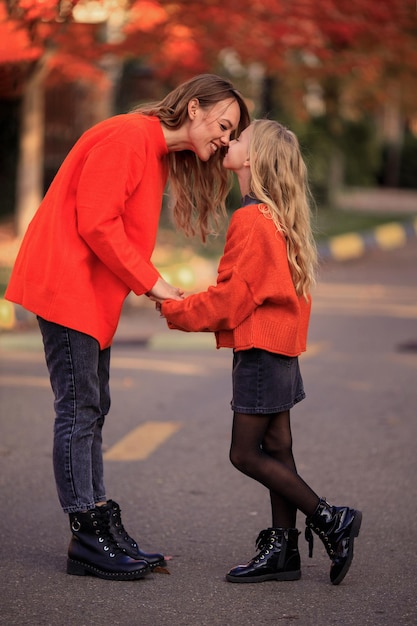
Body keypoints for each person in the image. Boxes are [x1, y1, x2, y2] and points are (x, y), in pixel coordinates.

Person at [5, 74, 250, 581]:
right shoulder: (129, 136)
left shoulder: (151, 149)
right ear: (195, 108)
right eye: (223, 125)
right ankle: (87, 532)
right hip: (67, 286)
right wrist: (154, 283)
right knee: (78, 408)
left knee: (94, 406)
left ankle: (98, 517)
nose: (225, 138)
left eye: (232, 133)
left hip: (91, 294)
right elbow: (97, 221)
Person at [157, 119, 362, 586]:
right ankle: (283, 552)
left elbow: (231, 301)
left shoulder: (251, 218)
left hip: (261, 352)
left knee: (245, 454)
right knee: (278, 449)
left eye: (240, 138)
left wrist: (177, 308)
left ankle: (331, 518)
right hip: (281, 350)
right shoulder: (277, 217)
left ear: (252, 159)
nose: (230, 139)